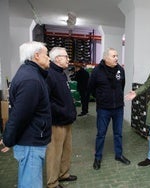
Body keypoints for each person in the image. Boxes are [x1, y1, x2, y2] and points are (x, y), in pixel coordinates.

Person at [0, 41, 52, 188]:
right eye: (46, 54)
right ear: (36, 56)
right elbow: (19, 115)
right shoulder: (31, 79)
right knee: (31, 184)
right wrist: (8, 139)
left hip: (31, 139)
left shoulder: (31, 74)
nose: (49, 58)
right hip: (31, 142)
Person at [89, 48, 130, 170]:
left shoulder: (120, 70)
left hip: (118, 108)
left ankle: (119, 155)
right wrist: (101, 98)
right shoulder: (97, 71)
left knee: (118, 133)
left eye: (117, 55)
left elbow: (122, 85)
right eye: (113, 56)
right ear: (106, 58)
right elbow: (91, 88)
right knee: (101, 134)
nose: (116, 58)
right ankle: (98, 157)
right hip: (103, 109)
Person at [46, 47, 77, 188]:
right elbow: (46, 101)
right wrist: (63, 111)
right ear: (57, 58)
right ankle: (52, 182)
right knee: (54, 153)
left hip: (67, 120)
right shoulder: (49, 74)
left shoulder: (62, 74)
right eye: (66, 56)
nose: (68, 59)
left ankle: (63, 174)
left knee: (66, 150)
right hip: (57, 122)